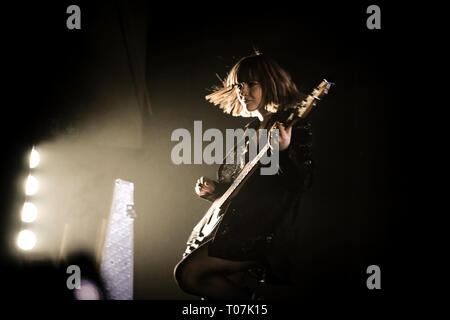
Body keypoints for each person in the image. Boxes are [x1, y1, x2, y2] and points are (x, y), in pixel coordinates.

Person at [174, 51, 314, 300]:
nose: (242, 91)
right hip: (237, 227)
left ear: (271, 84)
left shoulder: (292, 125)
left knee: (188, 275)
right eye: (239, 85)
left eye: (251, 84)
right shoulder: (250, 131)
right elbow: (246, 186)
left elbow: (300, 182)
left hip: (262, 232)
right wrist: (214, 191)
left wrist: (283, 151)